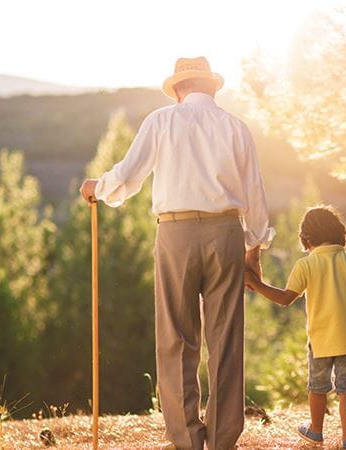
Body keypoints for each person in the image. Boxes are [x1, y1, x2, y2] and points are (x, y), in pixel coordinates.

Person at [79, 56, 274, 450]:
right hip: (226, 234)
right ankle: (221, 441)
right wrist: (254, 250)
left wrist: (98, 187)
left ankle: (186, 440)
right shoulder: (236, 127)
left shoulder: (161, 121)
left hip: (175, 233)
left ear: (179, 89)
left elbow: (130, 176)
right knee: (225, 340)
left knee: (176, 338)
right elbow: (254, 194)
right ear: (211, 87)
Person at [244, 206, 346, 449]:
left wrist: (255, 283)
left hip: (320, 339)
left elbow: (284, 299)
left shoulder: (305, 265)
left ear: (306, 238)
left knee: (317, 387)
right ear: (339, 233)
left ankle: (315, 431)